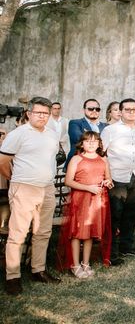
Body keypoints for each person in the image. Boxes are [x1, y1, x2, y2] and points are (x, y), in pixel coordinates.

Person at [0, 97, 61, 296]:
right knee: (18, 234)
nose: (42, 116)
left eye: (46, 113)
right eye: (38, 113)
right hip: (24, 188)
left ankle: (38, 270)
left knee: (43, 232)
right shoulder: (19, 134)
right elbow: (2, 162)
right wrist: (17, 180)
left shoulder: (52, 134)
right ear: (29, 113)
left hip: (47, 189)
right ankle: (13, 276)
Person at [101, 98, 135, 266]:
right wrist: (107, 175)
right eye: (128, 110)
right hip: (117, 177)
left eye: (134, 110)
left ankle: (127, 246)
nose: (132, 112)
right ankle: (112, 252)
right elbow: (102, 154)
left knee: (131, 212)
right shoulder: (110, 130)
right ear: (121, 111)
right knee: (115, 214)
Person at [59, 131, 113, 278]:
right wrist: (88, 188)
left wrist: (107, 182)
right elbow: (68, 181)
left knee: (90, 232)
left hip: (97, 200)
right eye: (88, 141)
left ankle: (85, 263)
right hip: (80, 199)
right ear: (82, 143)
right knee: (77, 232)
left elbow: (109, 179)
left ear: (99, 144)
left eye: (95, 141)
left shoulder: (103, 160)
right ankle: (75, 265)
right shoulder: (76, 159)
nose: (91, 144)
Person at [66, 99, 107, 168]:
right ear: (84, 110)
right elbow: (79, 139)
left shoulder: (106, 126)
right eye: (91, 109)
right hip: (77, 165)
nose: (94, 111)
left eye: (97, 109)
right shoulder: (75, 123)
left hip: (99, 165)